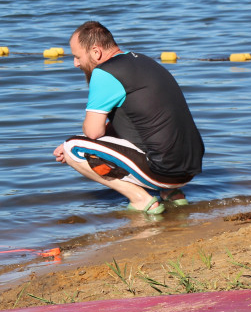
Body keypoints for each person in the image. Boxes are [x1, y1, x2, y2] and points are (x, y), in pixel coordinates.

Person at [53, 21, 204, 215]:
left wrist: (81, 143)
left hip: (164, 171)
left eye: (77, 56)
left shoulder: (104, 73)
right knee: (144, 131)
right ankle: (172, 194)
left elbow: (92, 132)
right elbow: (140, 120)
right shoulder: (143, 60)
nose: (75, 63)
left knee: (71, 148)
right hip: (190, 167)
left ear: (96, 52)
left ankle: (142, 200)